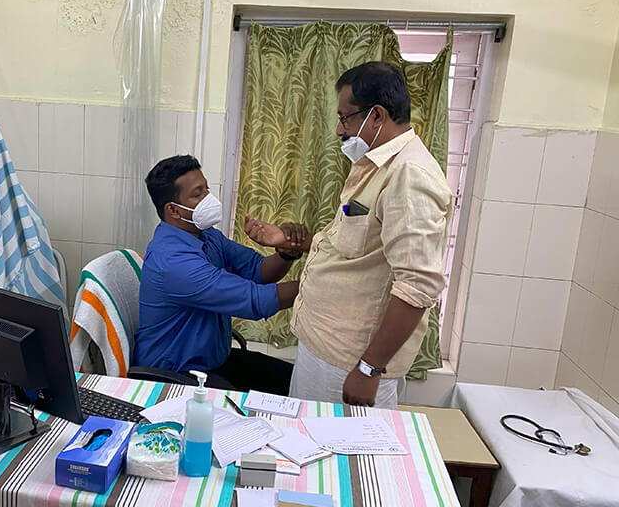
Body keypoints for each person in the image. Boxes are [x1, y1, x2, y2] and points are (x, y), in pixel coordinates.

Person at [246, 61, 453, 409]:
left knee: (336, 444)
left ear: (377, 115)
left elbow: (418, 285)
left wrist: (369, 368)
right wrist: (290, 242)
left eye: (346, 118)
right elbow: (356, 246)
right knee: (305, 437)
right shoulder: (375, 166)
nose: (339, 130)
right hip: (326, 347)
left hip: (351, 362)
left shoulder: (409, 175)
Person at [132, 155, 303, 395]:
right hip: (176, 376)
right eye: (197, 194)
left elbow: (259, 271)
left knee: (297, 383)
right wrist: (319, 285)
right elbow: (254, 300)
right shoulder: (173, 261)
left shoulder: (206, 234)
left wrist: (286, 252)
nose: (208, 198)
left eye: (206, 189)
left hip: (213, 361)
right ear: (173, 210)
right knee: (251, 413)